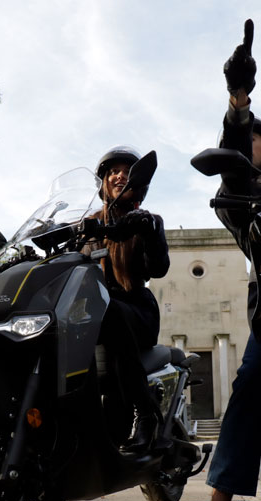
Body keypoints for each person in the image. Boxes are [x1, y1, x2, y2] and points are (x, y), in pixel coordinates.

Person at [192, 20, 261, 501]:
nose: (244, 151)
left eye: (253, 143)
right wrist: (239, 100)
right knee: (248, 382)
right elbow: (235, 166)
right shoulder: (238, 196)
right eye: (239, 145)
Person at [90, 146, 170, 455]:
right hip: (96, 314)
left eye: (126, 171)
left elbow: (158, 268)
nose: (120, 175)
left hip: (136, 309)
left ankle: (145, 413)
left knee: (109, 310)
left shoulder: (147, 221)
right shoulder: (89, 225)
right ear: (104, 182)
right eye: (113, 171)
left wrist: (148, 232)